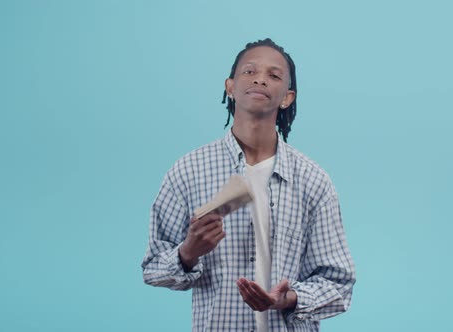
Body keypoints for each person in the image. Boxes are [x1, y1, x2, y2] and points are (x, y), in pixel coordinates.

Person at [141, 38, 356, 331]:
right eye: (249, 71)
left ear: (287, 97)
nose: (260, 79)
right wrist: (188, 252)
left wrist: (288, 299)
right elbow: (154, 268)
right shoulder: (188, 171)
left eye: (274, 75)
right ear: (230, 87)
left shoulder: (313, 181)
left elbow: (339, 283)